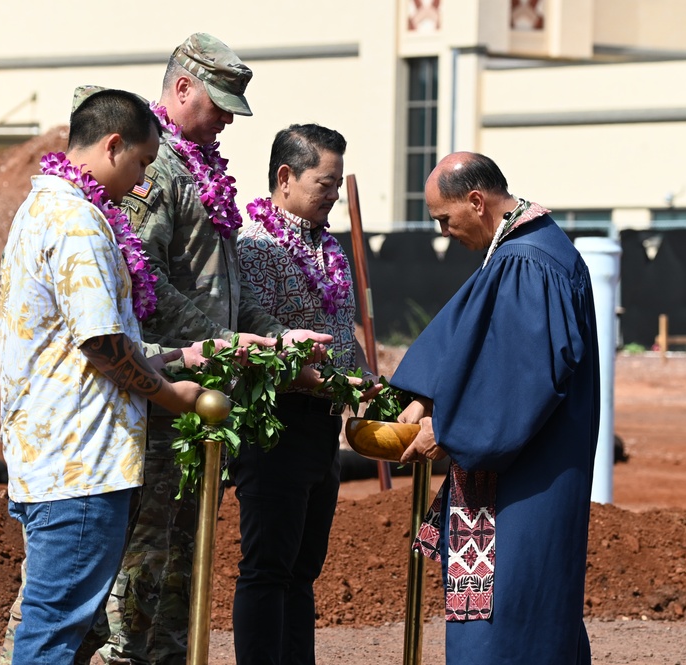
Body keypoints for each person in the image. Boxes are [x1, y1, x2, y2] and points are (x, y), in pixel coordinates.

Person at [99, 34, 332, 665]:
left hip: (208, 392)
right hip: (164, 388)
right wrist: (224, 341)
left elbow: (226, 293)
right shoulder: (155, 173)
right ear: (181, 89)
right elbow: (144, 281)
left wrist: (276, 337)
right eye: (219, 102)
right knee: (150, 560)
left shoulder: (202, 173)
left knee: (186, 558)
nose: (228, 118)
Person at [0, 89, 210, 665]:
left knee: (54, 627)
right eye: (141, 163)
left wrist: (171, 359)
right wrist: (172, 397)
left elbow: (84, 341)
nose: (142, 181)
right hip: (82, 466)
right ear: (113, 145)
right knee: (54, 636)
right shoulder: (79, 221)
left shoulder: (44, 207)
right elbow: (98, 343)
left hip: (58, 457)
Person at [389, 152, 600, 664]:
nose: (443, 233)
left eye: (444, 219)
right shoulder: (527, 248)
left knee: (511, 612)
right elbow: (478, 337)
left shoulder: (526, 261)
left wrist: (451, 427)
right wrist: (426, 394)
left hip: (525, 481)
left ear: (477, 202)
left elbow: (518, 380)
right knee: (533, 605)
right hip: (533, 470)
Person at [233, 124, 379, 664]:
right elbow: (259, 336)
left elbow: (342, 331)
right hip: (277, 424)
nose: (335, 194)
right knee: (268, 567)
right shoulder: (255, 244)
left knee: (302, 569)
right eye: (326, 183)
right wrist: (327, 381)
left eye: (339, 184)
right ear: (285, 177)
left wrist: (366, 379)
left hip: (321, 427)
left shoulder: (328, 246)